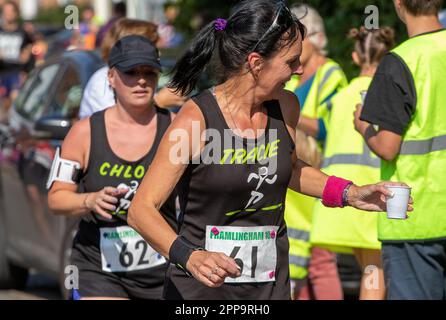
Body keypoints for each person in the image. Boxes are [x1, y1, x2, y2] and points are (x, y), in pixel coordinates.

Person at [127, 0, 411, 300]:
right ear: (256, 62)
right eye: (291, 62)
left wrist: (351, 193)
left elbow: (289, 169)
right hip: (202, 291)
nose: (299, 70)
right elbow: (141, 210)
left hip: (268, 287)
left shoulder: (286, 106)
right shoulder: (196, 119)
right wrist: (190, 256)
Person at [47, 35, 177, 300]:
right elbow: (56, 199)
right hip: (99, 268)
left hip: (164, 268)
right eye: (131, 72)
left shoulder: (177, 129)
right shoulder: (84, 133)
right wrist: (90, 200)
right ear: (111, 77)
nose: (141, 80)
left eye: (149, 73)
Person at [354, 0, 446, 300]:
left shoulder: (401, 61)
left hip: (416, 218)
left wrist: (363, 127)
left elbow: (388, 147)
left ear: (398, 3)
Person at [310, 26, 395, 300]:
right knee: (374, 270)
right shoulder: (387, 93)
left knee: (368, 267)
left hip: (341, 195)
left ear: (356, 58)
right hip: (372, 197)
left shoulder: (340, 97)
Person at [284, 4, 347, 300]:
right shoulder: (293, 77)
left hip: (317, 170)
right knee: (296, 259)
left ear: (317, 37)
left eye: (299, 37)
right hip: (294, 171)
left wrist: (288, 117)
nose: (292, 45)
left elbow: (331, 126)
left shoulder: (331, 72)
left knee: (320, 258)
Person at [79, 18, 186, 119]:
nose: (159, 52)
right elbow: (115, 125)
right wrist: (159, 101)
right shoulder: (101, 81)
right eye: (130, 73)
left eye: (149, 73)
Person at [0, 1, 34, 108]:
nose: (8, 14)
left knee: (15, 102)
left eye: (11, 11)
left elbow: (31, 45)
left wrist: (27, 54)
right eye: (6, 11)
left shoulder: (22, 31)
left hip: (17, 72)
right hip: (2, 71)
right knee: (5, 104)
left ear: (16, 13)